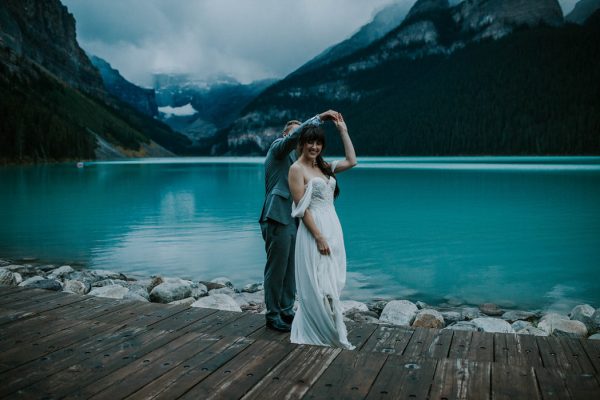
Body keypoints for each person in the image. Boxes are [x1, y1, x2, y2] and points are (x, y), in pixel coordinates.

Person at [260, 110, 339, 332]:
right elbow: (293, 138)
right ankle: (272, 314)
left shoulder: (301, 160)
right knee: (276, 268)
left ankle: (286, 309)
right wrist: (320, 118)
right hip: (277, 216)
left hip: (297, 218)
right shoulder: (278, 149)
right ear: (286, 135)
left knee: (291, 268)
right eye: (295, 134)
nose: (300, 138)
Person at [288, 112, 357, 349]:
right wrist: (318, 236)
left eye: (318, 143)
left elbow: (352, 161)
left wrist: (343, 131)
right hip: (314, 229)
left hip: (333, 225)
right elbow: (300, 208)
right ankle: (317, 326)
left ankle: (329, 321)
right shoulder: (297, 169)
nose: (314, 147)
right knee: (317, 279)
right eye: (310, 142)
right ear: (302, 144)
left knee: (332, 278)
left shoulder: (325, 167)